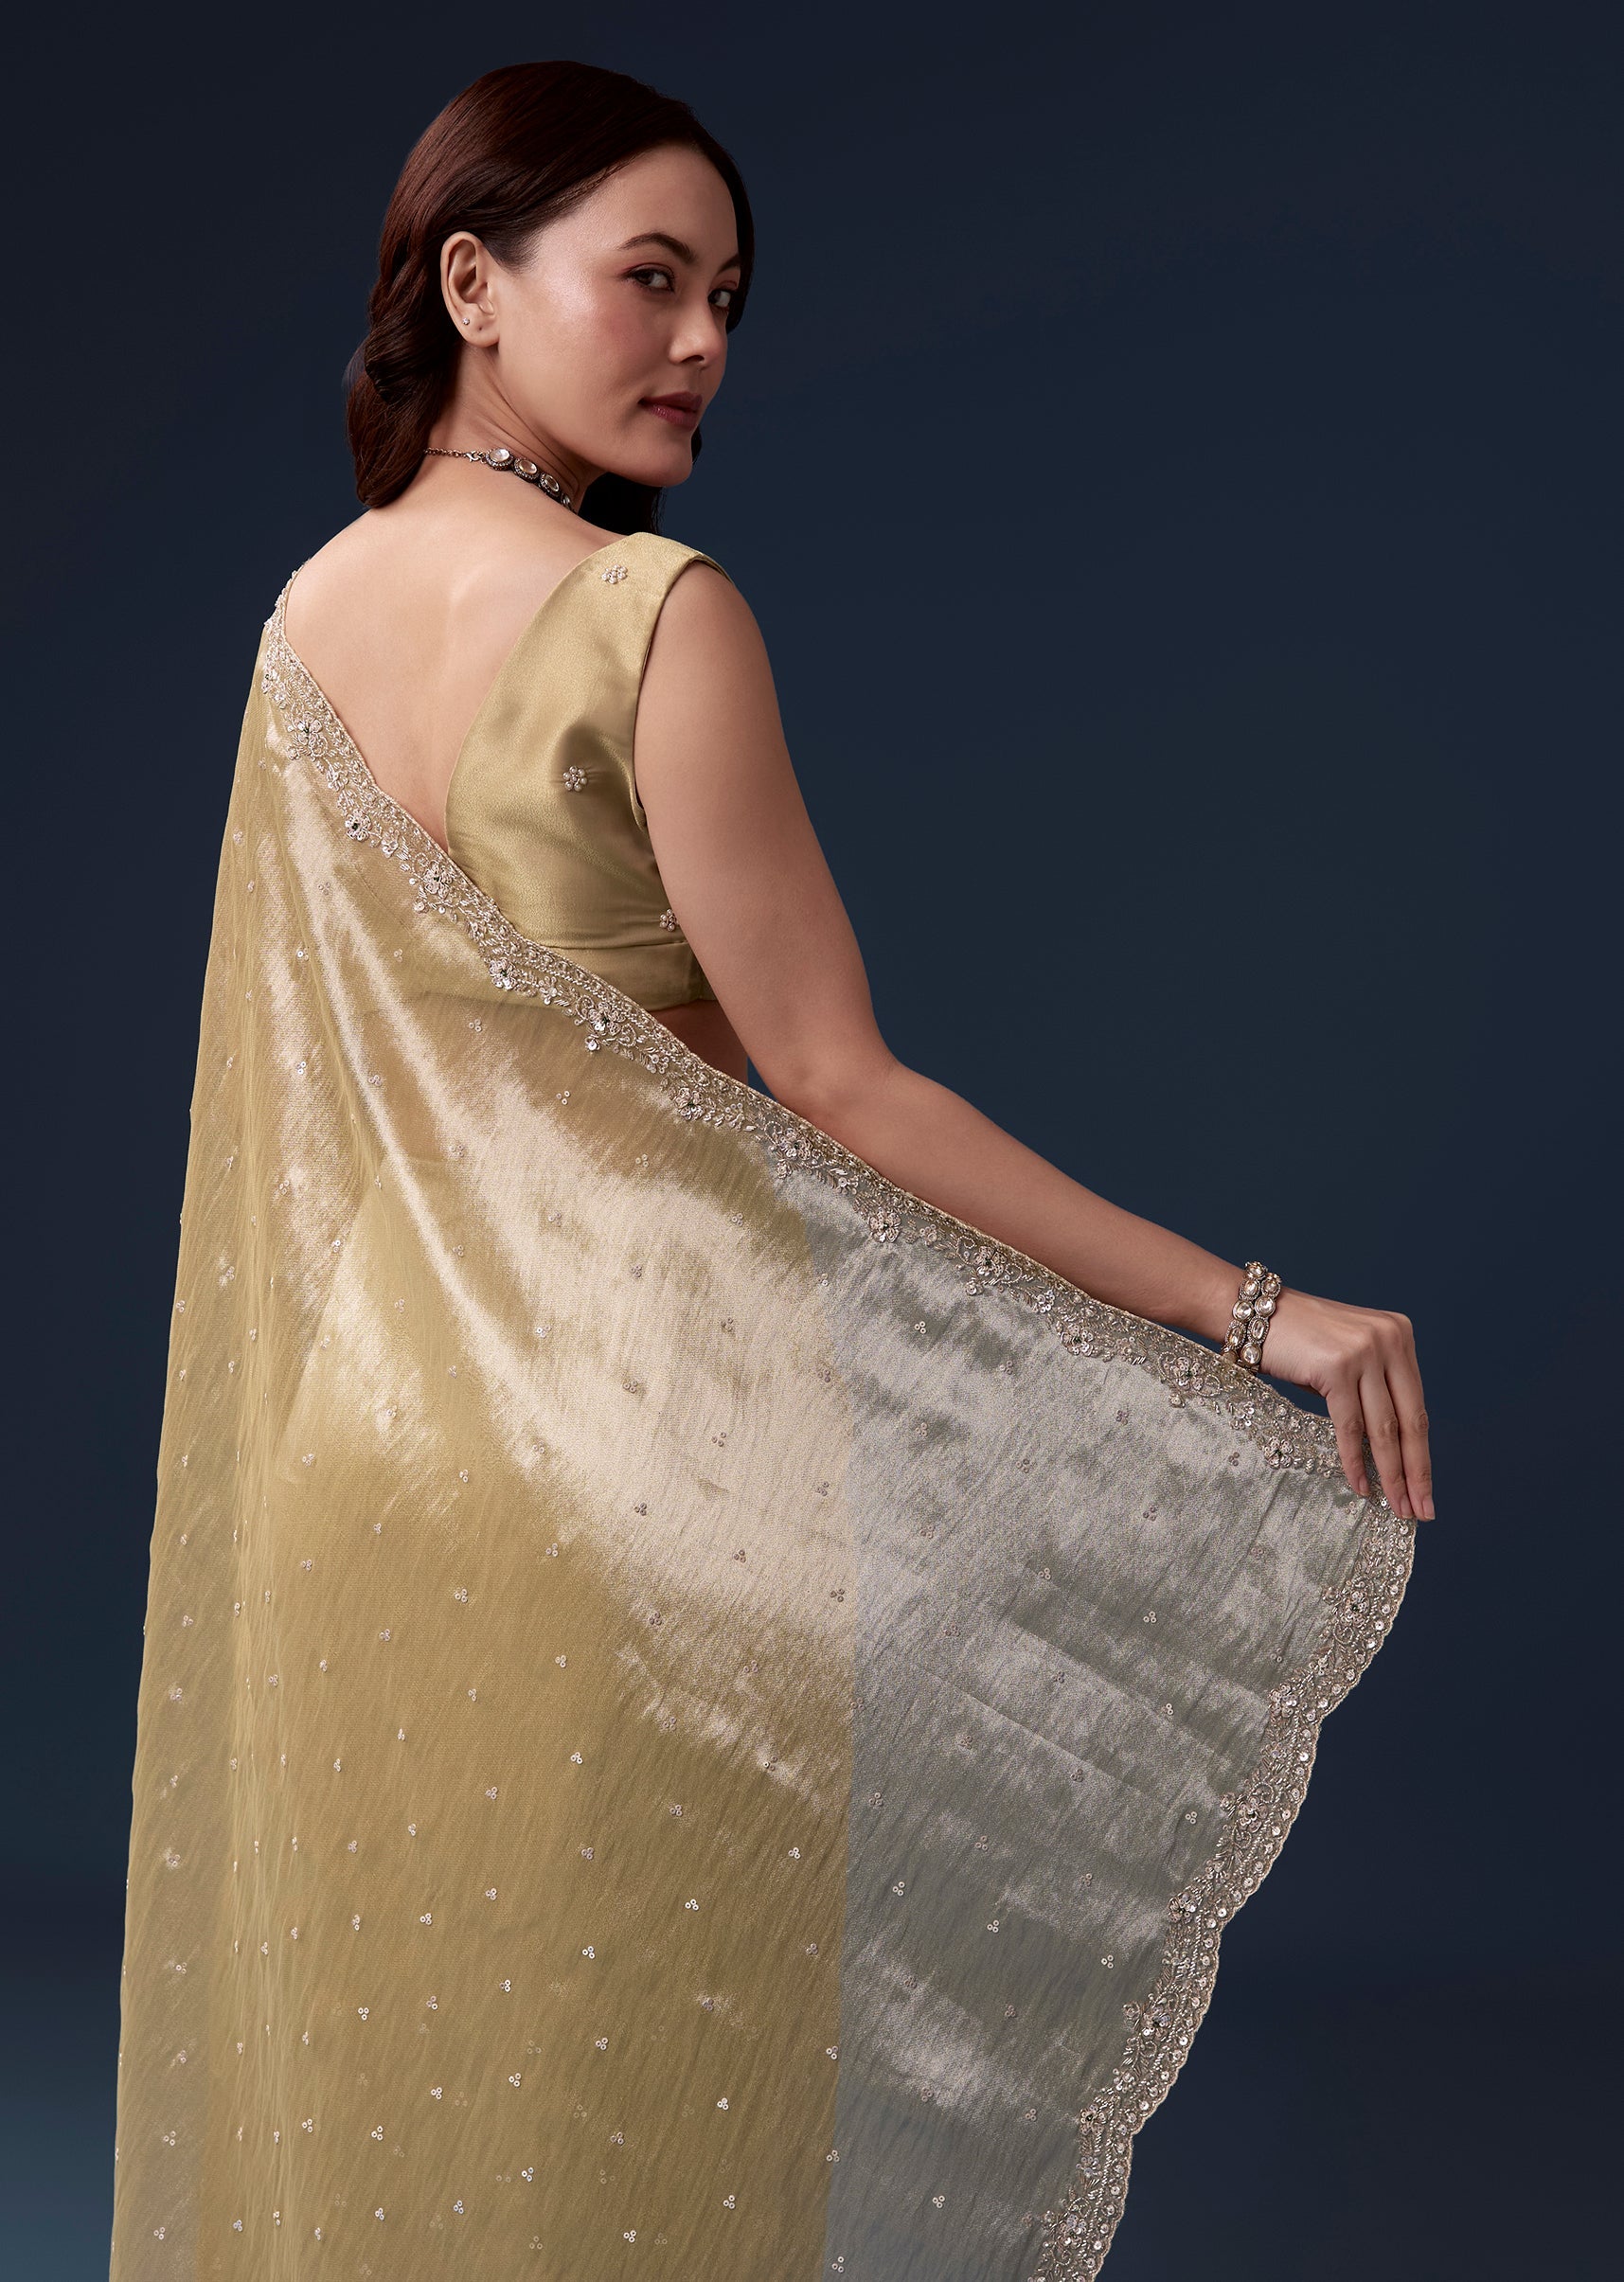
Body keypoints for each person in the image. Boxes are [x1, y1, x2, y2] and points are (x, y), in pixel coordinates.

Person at [110, 60, 1429, 2282]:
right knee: (649, 2084)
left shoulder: (303, 619)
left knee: (406, 2072)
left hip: (370, 1452)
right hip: (649, 1449)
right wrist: (1250, 1305)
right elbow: (839, 1083)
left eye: (727, 295)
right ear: (472, 287)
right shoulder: (652, 612)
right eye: (651, 279)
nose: (703, 340)